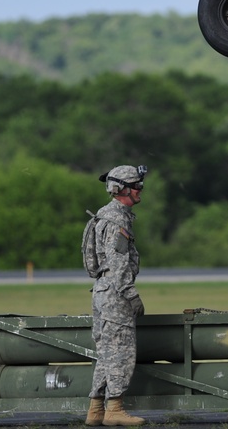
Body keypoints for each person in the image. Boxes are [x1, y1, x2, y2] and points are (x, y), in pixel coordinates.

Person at [84, 165, 147, 427]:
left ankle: (96, 410)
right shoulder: (117, 220)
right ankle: (115, 410)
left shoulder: (103, 216)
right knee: (121, 351)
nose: (140, 191)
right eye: (136, 186)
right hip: (115, 294)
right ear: (121, 189)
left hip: (102, 290)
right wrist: (132, 296)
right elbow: (119, 263)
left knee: (106, 353)